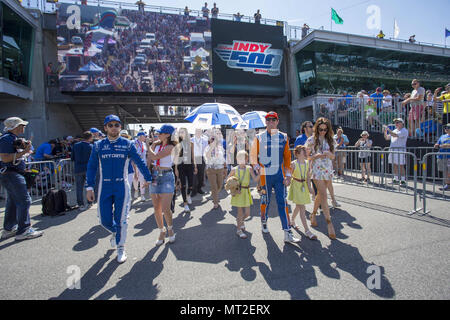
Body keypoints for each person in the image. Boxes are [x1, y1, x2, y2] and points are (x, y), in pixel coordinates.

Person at [86, 115, 152, 264]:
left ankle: (121, 247)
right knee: (104, 220)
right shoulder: (98, 145)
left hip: (122, 186)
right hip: (105, 187)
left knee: (121, 219)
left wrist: (148, 177)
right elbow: (91, 166)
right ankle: (116, 233)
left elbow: (139, 161)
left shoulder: (127, 144)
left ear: (120, 127)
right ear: (105, 128)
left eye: (117, 125)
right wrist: (89, 187)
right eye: (110, 125)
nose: (114, 127)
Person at [250, 111, 299, 244]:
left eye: (273, 120)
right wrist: (256, 167)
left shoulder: (284, 137)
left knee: (282, 203)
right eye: (268, 120)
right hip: (265, 177)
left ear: (277, 122)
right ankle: (264, 221)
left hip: (279, 176)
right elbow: (253, 156)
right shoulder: (259, 137)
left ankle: (287, 232)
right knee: (265, 200)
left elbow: (288, 158)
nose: (271, 122)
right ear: (265, 122)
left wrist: (288, 175)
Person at [0, 117, 43, 241]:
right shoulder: (6, 139)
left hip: (12, 173)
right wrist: (24, 151)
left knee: (13, 201)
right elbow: (5, 158)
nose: (24, 127)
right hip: (11, 173)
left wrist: (25, 150)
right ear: (15, 126)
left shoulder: (11, 138)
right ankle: (23, 230)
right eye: (21, 125)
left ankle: (9, 228)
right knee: (25, 200)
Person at [305, 117, 337, 240]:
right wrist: (314, 156)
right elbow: (307, 156)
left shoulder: (331, 140)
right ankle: (329, 223)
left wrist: (330, 155)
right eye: (320, 129)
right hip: (316, 171)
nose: (323, 131)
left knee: (320, 195)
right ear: (316, 128)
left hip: (328, 170)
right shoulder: (311, 140)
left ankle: (313, 215)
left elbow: (334, 157)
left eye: (325, 129)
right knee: (323, 194)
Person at [147, 124, 177, 246]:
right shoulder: (157, 145)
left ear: (168, 135)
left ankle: (170, 228)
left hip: (167, 176)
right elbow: (150, 159)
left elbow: (154, 156)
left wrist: (149, 146)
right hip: (154, 175)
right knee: (156, 207)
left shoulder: (171, 147)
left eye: (160, 133)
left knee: (166, 208)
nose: (158, 135)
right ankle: (161, 231)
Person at [227, 150, 260, 239]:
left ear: (246, 159)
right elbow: (228, 181)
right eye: (239, 158)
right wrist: (233, 189)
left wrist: (260, 172)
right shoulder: (234, 169)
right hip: (238, 193)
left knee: (248, 213)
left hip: (246, 192)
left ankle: (240, 221)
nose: (241, 160)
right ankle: (239, 230)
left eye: (243, 158)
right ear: (237, 159)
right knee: (240, 213)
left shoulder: (249, 168)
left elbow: (256, 179)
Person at [288, 145, 317, 240]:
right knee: (302, 207)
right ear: (297, 154)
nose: (305, 152)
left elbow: (308, 177)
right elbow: (289, 176)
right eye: (303, 151)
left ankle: (292, 220)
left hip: (303, 185)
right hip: (296, 186)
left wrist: (310, 189)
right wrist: (286, 181)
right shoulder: (293, 164)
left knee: (298, 205)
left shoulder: (308, 163)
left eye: (305, 151)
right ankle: (307, 230)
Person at [174, 127, 195, 213]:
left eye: (184, 132)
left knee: (191, 184)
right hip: (181, 166)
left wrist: (196, 166)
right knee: (183, 185)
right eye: (180, 132)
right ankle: (185, 204)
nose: (182, 134)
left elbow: (193, 155)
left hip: (190, 165)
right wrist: (176, 169)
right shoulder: (177, 144)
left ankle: (188, 195)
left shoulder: (191, 143)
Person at [71, 131, 94, 210]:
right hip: (88, 169)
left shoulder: (75, 145)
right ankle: (89, 202)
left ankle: (80, 204)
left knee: (79, 187)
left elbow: (72, 157)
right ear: (90, 137)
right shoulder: (91, 146)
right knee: (89, 186)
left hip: (78, 168)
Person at [204, 132, 226, 209]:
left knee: (220, 185)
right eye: (212, 139)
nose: (213, 141)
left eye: (214, 139)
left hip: (219, 168)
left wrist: (225, 168)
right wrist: (211, 148)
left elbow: (223, 158)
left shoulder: (220, 148)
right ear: (209, 140)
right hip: (211, 169)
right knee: (214, 186)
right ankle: (215, 202)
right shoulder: (207, 148)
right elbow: (207, 156)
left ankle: (215, 195)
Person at [384, 118, 408, 186]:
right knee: (394, 164)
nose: (396, 124)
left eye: (398, 122)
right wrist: (385, 131)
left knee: (401, 165)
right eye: (395, 122)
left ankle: (403, 180)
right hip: (392, 150)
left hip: (400, 150)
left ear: (402, 123)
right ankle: (396, 179)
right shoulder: (394, 130)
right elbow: (387, 138)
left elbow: (395, 135)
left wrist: (388, 130)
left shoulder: (404, 131)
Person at [191, 129, 208, 196]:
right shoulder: (191, 140)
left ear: (201, 133)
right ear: (195, 132)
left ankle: (199, 188)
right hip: (193, 158)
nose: (198, 133)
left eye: (199, 132)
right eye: (197, 131)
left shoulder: (204, 140)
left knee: (201, 175)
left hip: (201, 158)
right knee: (194, 175)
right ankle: (193, 190)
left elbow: (206, 150)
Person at [133, 131, 149, 202]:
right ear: (140, 136)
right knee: (135, 179)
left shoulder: (144, 144)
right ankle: (136, 190)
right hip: (135, 164)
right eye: (144, 136)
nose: (145, 137)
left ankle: (142, 194)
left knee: (142, 179)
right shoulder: (134, 143)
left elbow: (145, 154)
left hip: (143, 164)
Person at [434, 124, 450, 191]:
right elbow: (437, 144)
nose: (446, 129)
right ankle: (447, 184)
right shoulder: (442, 136)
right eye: (446, 127)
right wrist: (436, 145)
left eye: (448, 127)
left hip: (449, 156)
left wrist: (446, 145)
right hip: (441, 156)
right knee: (445, 171)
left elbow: (446, 145)